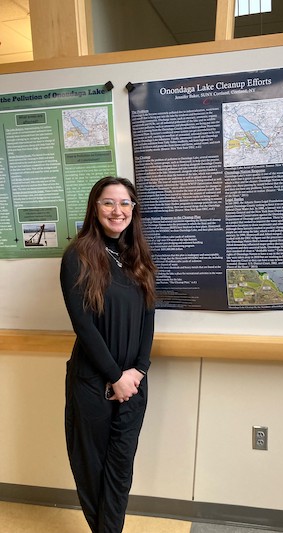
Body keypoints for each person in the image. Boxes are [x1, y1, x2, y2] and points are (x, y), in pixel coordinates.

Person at [60, 176, 157, 533]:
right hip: (93, 383)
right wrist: (115, 376)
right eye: (108, 203)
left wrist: (138, 372)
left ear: (133, 210)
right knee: (93, 469)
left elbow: (149, 318)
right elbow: (83, 326)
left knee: (120, 469)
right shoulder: (78, 256)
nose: (117, 211)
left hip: (133, 385)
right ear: (95, 208)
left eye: (125, 203)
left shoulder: (137, 257)